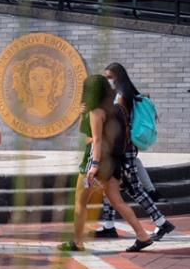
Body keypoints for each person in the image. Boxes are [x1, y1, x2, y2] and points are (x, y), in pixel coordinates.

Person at [59, 75, 153, 252]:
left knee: (80, 202)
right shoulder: (115, 109)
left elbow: (95, 139)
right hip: (113, 162)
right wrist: (82, 114)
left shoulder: (96, 112)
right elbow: (85, 131)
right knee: (117, 201)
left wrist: (93, 165)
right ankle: (142, 235)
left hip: (94, 161)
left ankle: (77, 242)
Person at [95, 63, 175, 242]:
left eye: (109, 77)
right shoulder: (125, 93)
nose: (108, 81)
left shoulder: (123, 95)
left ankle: (162, 222)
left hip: (124, 148)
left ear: (117, 76)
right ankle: (109, 226)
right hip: (122, 147)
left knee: (134, 189)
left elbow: (122, 124)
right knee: (110, 185)